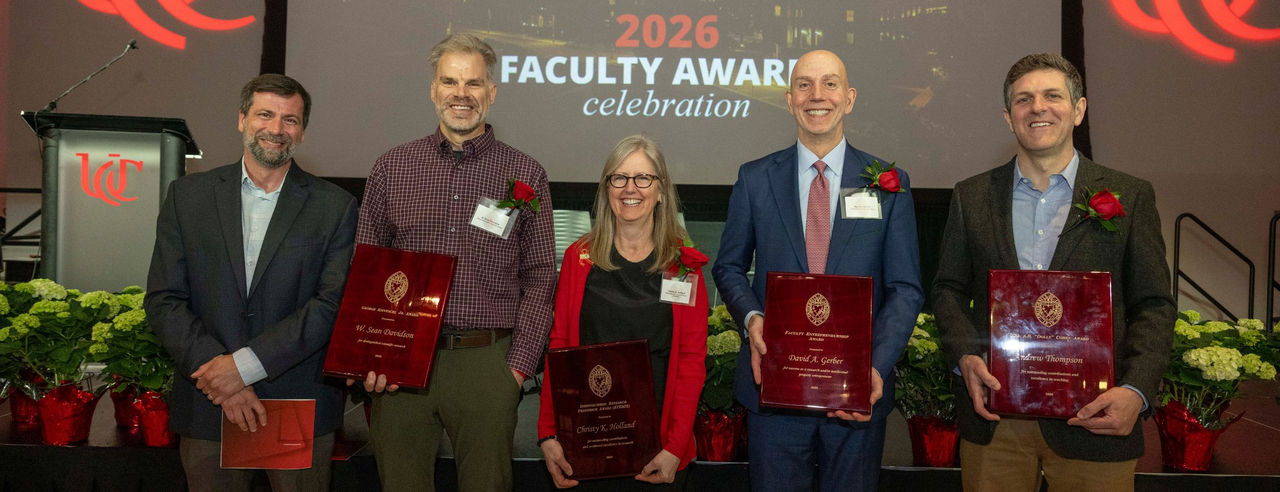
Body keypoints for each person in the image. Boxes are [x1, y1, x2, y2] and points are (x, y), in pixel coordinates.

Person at [932, 53, 1175, 491]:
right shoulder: (971, 196)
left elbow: (1154, 303)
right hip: (996, 423)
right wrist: (965, 357)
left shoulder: (1130, 196)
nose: (1038, 107)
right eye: (1024, 99)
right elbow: (948, 289)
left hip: (1096, 420)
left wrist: (1135, 392)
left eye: (1052, 96)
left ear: (1078, 109)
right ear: (1009, 117)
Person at [711, 49, 924, 491]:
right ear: (789, 100)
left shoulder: (888, 182)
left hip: (857, 396)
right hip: (774, 392)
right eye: (804, 85)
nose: (816, 95)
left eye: (829, 84)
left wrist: (877, 370)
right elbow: (729, 267)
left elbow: (905, 289)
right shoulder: (754, 178)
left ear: (849, 98)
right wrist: (752, 319)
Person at [353, 33, 557, 491]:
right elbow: (365, 268)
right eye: (450, 81)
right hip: (401, 364)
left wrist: (517, 367)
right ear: (433, 89)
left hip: (487, 362)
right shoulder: (393, 168)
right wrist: (370, 355)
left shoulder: (527, 173)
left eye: (474, 83)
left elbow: (541, 276)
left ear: (492, 93)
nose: (461, 94)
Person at [145, 73, 358, 491]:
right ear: (241, 119)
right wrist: (222, 380)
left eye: (290, 120)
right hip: (210, 404)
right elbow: (164, 299)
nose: (276, 129)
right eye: (265, 114)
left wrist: (243, 368)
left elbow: (331, 303)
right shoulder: (187, 197)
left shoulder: (335, 206)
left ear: (303, 130)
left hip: (296, 402)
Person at [536, 135, 708, 490]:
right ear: (607, 188)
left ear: (661, 191)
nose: (631, 188)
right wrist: (549, 432)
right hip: (588, 443)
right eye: (620, 177)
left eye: (644, 178)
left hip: (659, 449)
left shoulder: (684, 265)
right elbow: (560, 348)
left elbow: (691, 360)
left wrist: (675, 447)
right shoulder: (578, 259)